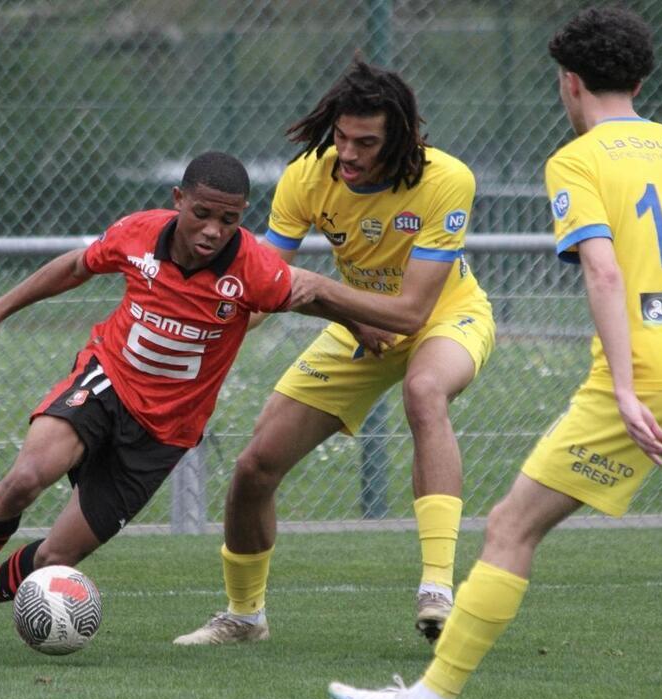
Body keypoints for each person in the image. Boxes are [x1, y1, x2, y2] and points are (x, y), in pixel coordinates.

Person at [325, 6, 662, 699]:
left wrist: (625, 386)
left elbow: (605, 270)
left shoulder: (578, 159)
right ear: (640, 80)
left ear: (569, 82)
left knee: (511, 527)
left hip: (649, 375)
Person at [0, 152, 307, 665]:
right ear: (179, 201)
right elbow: (74, 266)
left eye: (229, 219)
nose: (213, 230)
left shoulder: (255, 268)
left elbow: (319, 293)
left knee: (56, 558)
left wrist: (371, 322)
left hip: (164, 436)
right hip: (107, 380)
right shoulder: (139, 233)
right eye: (202, 213)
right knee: (25, 478)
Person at [173, 56, 495, 647]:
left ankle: (437, 589)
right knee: (252, 469)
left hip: (446, 317)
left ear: (401, 137)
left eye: (366, 142)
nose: (347, 153)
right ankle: (244, 617)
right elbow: (267, 283)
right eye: (342, 137)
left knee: (424, 391)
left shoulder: (447, 179)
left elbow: (412, 312)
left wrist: (325, 291)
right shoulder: (308, 176)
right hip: (356, 327)